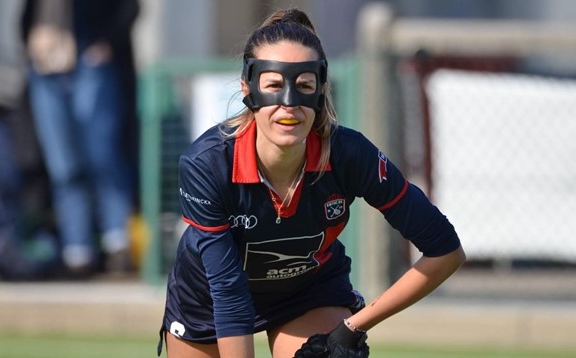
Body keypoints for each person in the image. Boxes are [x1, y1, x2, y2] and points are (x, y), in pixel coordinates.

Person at [159, 8, 466, 358]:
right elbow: (228, 293)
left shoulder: (351, 154)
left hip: (307, 294)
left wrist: (353, 328)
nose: (289, 104)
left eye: (303, 86)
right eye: (273, 85)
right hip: (210, 298)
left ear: (320, 90)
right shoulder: (207, 164)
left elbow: (444, 251)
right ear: (248, 88)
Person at [20, 0, 140, 276]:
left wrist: (106, 43)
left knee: (103, 157)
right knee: (64, 167)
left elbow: (129, 7)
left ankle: (116, 244)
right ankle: (77, 252)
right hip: (45, 68)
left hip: (89, 62)